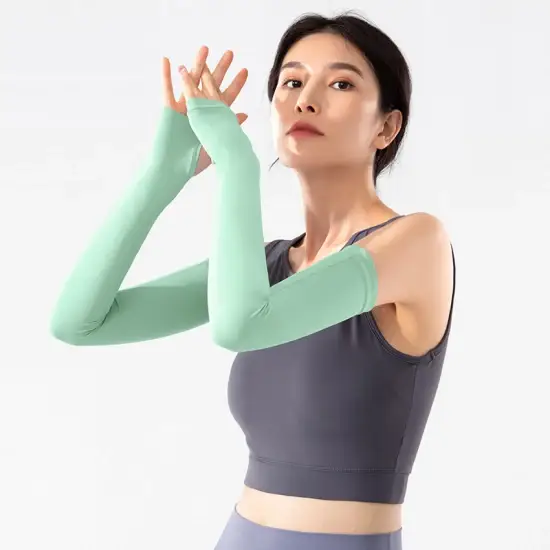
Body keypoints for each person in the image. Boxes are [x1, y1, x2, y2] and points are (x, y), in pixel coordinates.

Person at [50, 10, 455, 550]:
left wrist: (237, 167)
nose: (305, 100)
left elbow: (240, 326)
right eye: (291, 82)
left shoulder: (417, 243)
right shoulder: (264, 268)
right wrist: (161, 175)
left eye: (340, 84)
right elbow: (78, 322)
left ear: (386, 126)